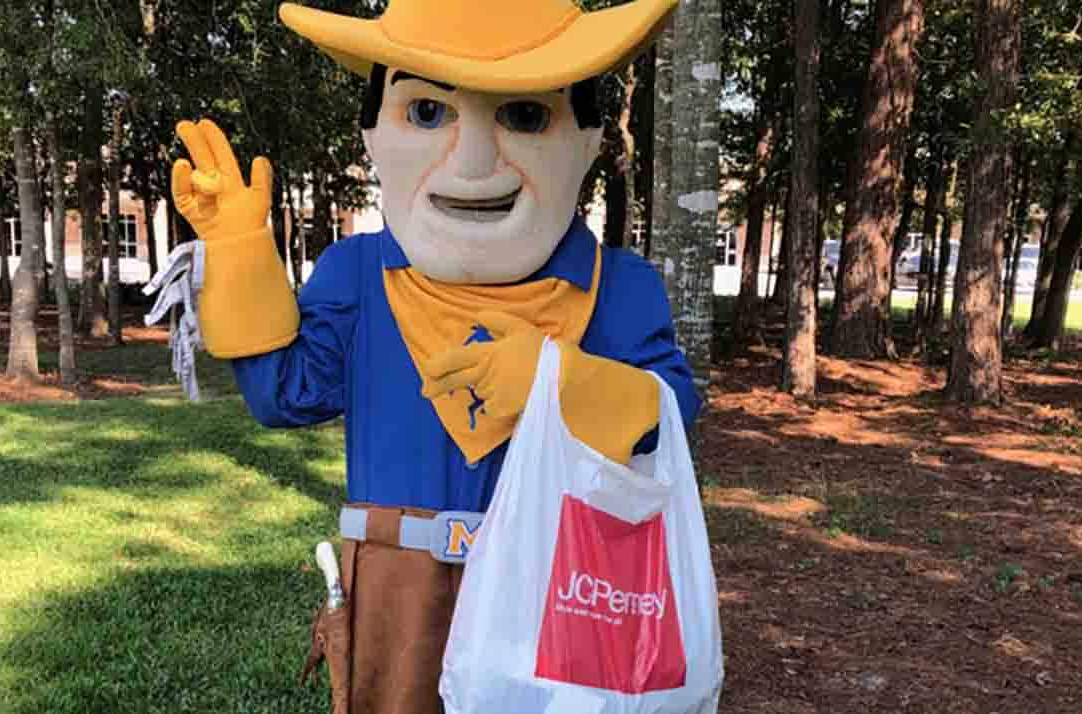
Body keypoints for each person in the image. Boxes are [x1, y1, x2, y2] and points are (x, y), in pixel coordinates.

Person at [158, 1, 693, 711]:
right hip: (396, 587)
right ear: (374, 135)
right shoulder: (356, 275)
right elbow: (283, 395)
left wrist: (556, 385)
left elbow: (670, 423)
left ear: (589, 139)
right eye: (428, 113)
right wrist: (237, 258)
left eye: (525, 116)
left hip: (561, 576)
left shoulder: (618, 288)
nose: (473, 160)